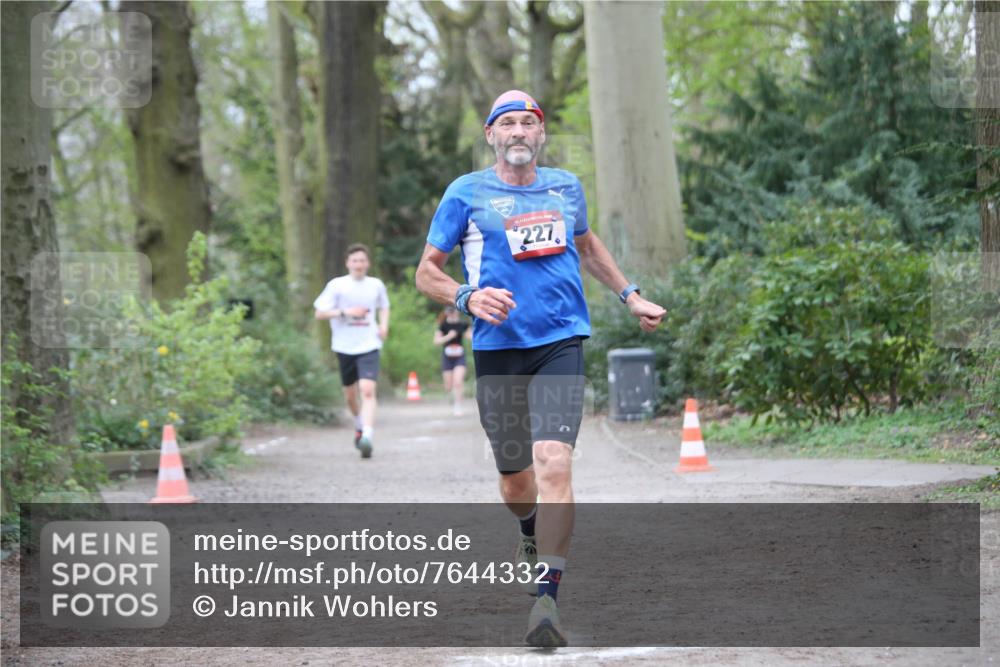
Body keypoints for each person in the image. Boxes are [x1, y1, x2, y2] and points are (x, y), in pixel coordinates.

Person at [415, 90, 667, 647]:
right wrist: (465, 297)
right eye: (508, 124)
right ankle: (527, 531)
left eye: (528, 123)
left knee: (554, 461)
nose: (519, 132)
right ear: (491, 136)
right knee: (515, 482)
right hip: (499, 347)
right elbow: (425, 271)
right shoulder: (466, 193)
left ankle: (547, 598)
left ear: (541, 133)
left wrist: (630, 295)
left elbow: (588, 245)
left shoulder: (565, 187)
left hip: (560, 340)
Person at [314, 243, 390, 459]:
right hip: (344, 345)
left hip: (369, 343)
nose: (358, 264)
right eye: (354, 260)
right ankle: (359, 423)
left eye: (362, 260)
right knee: (350, 396)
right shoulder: (337, 286)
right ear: (348, 263)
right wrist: (345, 312)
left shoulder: (376, 285)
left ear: (368, 263)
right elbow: (319, 313)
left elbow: (384, 306)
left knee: (367, 389)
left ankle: (367, 435)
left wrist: (384, 325)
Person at [433, 306, 472, 416]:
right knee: (448, 385)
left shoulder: (463, 325)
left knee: (458, 381)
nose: (452, 313)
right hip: (447, 357)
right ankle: (453, 398)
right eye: (449, 311)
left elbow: (470, 336)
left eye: (453, 310)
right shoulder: (443, 326)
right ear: (446, 312)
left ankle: (458, 406)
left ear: (458, 312)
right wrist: (449, 336)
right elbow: (436, 341)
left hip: (460, 356)